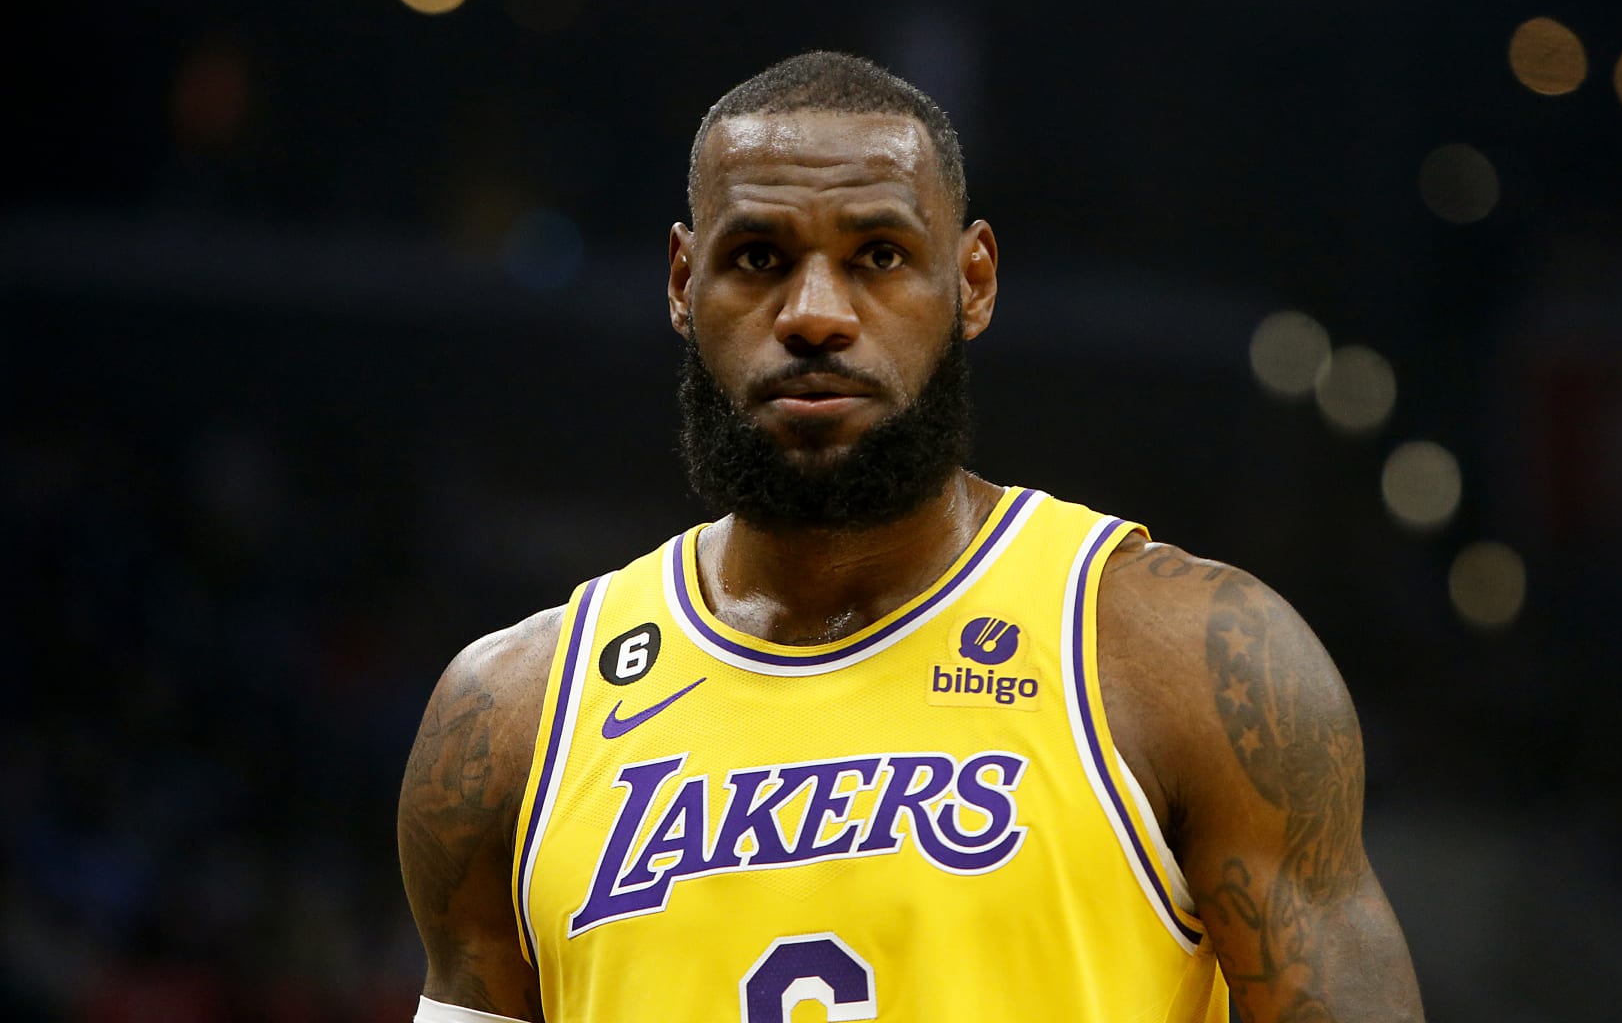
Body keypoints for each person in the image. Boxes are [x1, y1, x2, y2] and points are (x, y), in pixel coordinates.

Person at [398, 52, 1425, 1023]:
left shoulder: (1186, 660)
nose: (813, 314)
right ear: (681, 283)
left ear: (972, 281)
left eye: (878, 256)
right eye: (757, 258)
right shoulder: (511, 717)